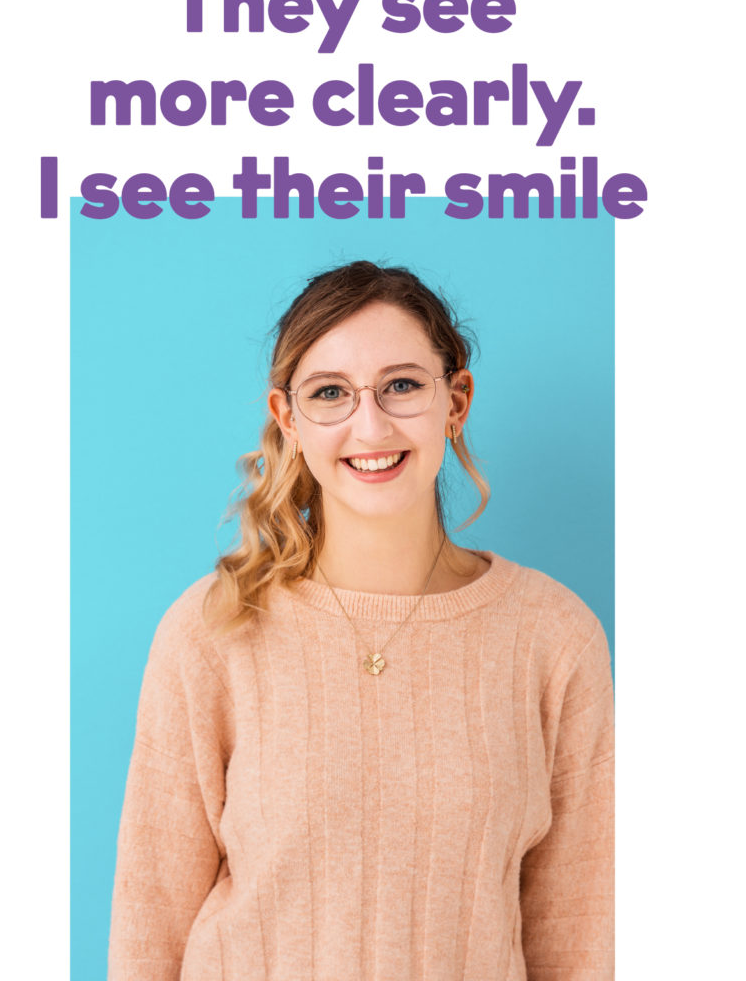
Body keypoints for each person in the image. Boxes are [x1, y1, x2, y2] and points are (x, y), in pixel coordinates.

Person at [107, 261, 614, 981]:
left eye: (401, 385)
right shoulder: (211, 630)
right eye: (330, 394)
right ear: (288, 418)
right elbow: (147, 925)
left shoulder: (552, 637)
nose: (368, 424)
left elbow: (580, 930)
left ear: (456, 400)